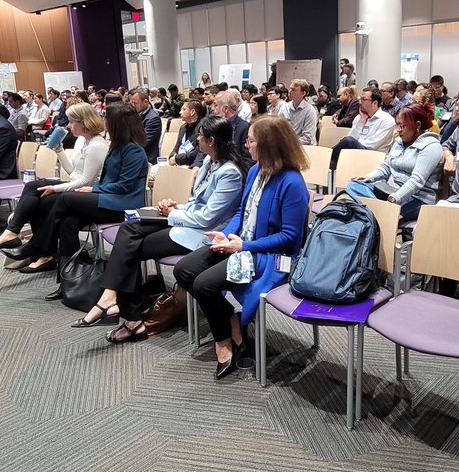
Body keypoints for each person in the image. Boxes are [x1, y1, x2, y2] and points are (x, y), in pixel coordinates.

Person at [82, 116, 247, 336]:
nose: (197, 139)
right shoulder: (209, 162)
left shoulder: (230, 173)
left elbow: (207, 218)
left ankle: (125, 311)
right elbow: (196, 202)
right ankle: (114, 301)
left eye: (200, 136)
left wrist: (173, 214)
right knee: (128, 229)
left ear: (211, 141)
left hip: (201, 234)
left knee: (131, 248)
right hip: (186, 221)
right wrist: (175, 206)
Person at [173, 118, 310, 380]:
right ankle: (232, 320)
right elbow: (241, 212)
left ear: (268, 144)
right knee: (184, 270)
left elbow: (290, 238)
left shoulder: (292, 182)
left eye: (251, 141)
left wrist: (244, 245)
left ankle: (224, 341)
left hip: (267, 255)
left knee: (204, 284)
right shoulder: (257, 171)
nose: (246, 146)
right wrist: (225, 236)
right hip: (242, 244)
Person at [3, 103, 147, 272]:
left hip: (124, 205)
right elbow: (106, 179)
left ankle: (37, 246)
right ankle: (68, 277)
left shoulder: (134, 151)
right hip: (110, 198)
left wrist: (94, 189)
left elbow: (124, 186)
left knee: (65, 198)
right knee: (67, 222)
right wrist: (95, 188)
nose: (104, 121)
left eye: (107, 118)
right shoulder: (117, 147)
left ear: (117, 124)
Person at [0, 104, 109, 253]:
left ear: (84, 122)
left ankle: (37, 249)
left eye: (72, 122)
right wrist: (59, 151)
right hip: (75, 185)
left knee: (43, 200)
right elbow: (73, 172)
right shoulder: (81, 141)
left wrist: (54, 188)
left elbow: (86, 181)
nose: (68, 125)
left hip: (87, 192)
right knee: (32, 186)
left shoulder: (97, 145)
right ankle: (14, 233)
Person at [346, 103, 443, 221]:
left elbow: (416, 181)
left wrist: (395, 198)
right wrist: (370, 177)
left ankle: (374, 211)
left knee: (378, 216)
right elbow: (387, 167)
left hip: (416, 198)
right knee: (354, 185)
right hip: (391, 191)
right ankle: (376, 210)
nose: (398, 130)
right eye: (397, 125)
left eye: (403, 126)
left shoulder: (431, 147)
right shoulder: (399, 141)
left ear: (417, 125)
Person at [329, 86, 397, 167]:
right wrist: (361, 122)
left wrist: (352, 144)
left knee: (348, 141)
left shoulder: (387, 121)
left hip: (373, 158)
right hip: (355, 154)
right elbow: (352, 137)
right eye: (360, 99)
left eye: (364, 99)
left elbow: (371, 146)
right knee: (334, 162)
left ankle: (327, 155)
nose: (360, 103)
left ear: (375, 103)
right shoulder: (359, 118)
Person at [194, 90, 251, 169]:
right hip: (209, 168)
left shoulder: (244, 127)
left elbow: (248, 160)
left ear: (225, 109)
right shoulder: (212, 123)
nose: (212, 108)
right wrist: (196, 166)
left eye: (215, 105)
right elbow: (203, 146)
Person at [128, 88, 163, 164]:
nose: (133, 106)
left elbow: (143, 142)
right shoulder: (135, 115)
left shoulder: (153, 119)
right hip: (135, 155)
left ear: (145, 102)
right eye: (132, 103)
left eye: (135, 103)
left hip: (146, 159)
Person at [169, 100, 205, 166]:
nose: (180, 112)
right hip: (177, 162)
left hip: (190, 164)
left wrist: (177, 158)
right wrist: (172, 156)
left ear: (192, 112)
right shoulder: (183, 128)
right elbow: (177, 147)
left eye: (184, 109)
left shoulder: (202, 128)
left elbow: (197, 153)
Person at [285, 79, 319, 145]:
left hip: (305, 147)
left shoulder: (310, 110)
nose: (290, 92)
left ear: (303, 93)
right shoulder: (285, 107)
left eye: (294, 90)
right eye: (290, 89)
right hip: (289, 146)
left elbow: (307, 138)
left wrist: (289, 144)